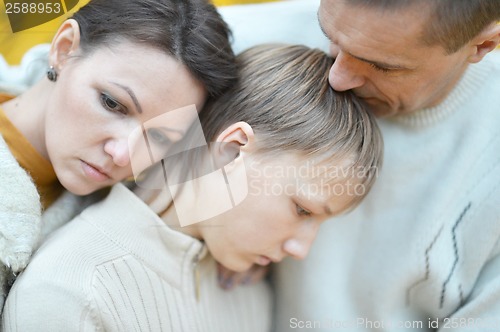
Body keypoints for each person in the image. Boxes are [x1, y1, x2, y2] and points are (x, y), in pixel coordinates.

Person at [1, 44, 382, 331]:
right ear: (232, 149)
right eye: (302, 209)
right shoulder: (70, 292)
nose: (301, 249)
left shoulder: (249, 293)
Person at [272, 0, 500, 331]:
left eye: (381, 66)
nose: (336, 77)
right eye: (329, 34)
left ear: (482, 45)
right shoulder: (238, 41)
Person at [0, 0, 237, 312]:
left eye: (160, 136)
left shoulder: (124, 204)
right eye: (112, 103)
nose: (124, 155)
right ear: (64, 49)